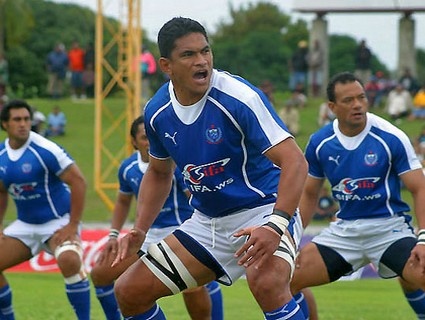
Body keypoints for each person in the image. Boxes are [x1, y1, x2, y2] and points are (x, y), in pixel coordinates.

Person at [111, 17, 308, 320]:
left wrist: (276, 225)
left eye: (205, 51)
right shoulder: (156, 111)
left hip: (264, 210)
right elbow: (159, 172)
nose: (201, 61)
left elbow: (295, 160)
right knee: (129, 291)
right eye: (188, 55)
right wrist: (139, 229)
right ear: (166, 65)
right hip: (208, 222)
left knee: (267, 282)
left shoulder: (238, 97)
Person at [290, 72, 425, 318]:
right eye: (349, 100)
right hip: (345, 232)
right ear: (332, 107)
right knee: (283, 281)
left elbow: (420, 188)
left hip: (388, 229)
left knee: (422, 272)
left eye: (361, 98)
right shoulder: (320, 143)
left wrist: (424, 239)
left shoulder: (390, 137)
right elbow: (309, 194)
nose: (358, 105)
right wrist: (292, 237)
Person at [91, 115, 223, 320]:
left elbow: (195, 197)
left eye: (153, 137)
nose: (150, 142)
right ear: (134, 142)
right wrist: (113, 235)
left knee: (194, 286)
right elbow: (123, 202)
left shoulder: (175, 164)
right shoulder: (127, 168)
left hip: (180, 231)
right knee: (101, 274)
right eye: (144, 137)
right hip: (147, 237)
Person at [0, 99, 90, 319]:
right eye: (17, 120)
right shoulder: (1, 155)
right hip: (25, 225)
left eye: (27, 119)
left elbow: (79, 181)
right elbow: (1, 192)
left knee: (69, 259)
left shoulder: (45, 149)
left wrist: (73, 225)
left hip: (58, 221)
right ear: (5, 125)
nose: (23, 124)